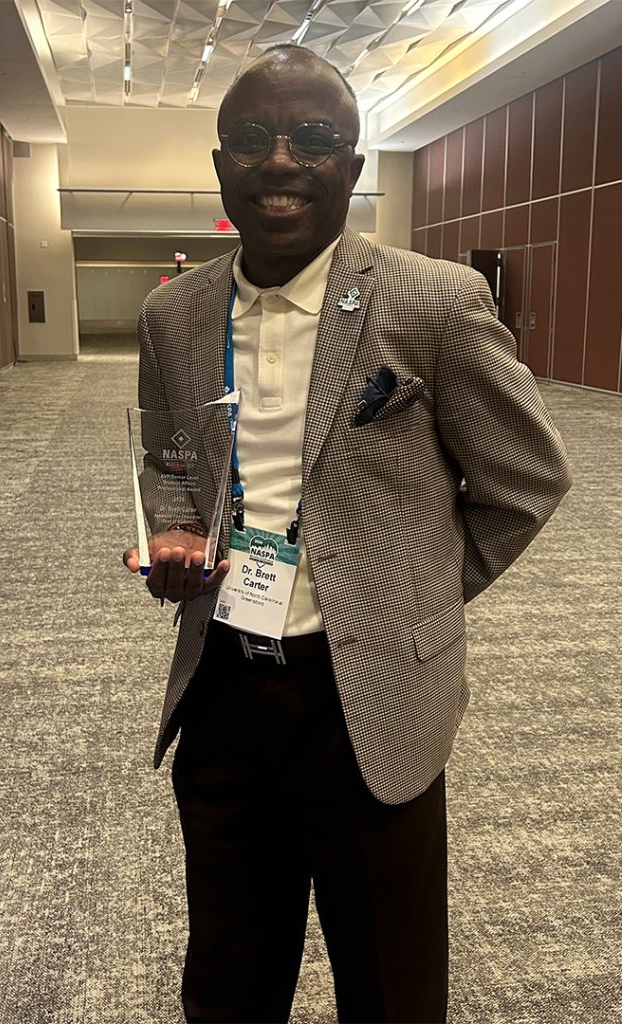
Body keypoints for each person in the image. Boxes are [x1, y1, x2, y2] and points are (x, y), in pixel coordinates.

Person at [123, 44, 572, 1024]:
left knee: (389, 977)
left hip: (369, 700)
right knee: (229, 973)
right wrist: (174, 536)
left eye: (313, 139)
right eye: (251, 139)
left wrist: (411, 592)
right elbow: (168, 464)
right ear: (219, 167)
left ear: (351, 168)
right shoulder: (172, 314)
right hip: (225, 688)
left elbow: (525, 480)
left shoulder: (434, 302)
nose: (279, 161)